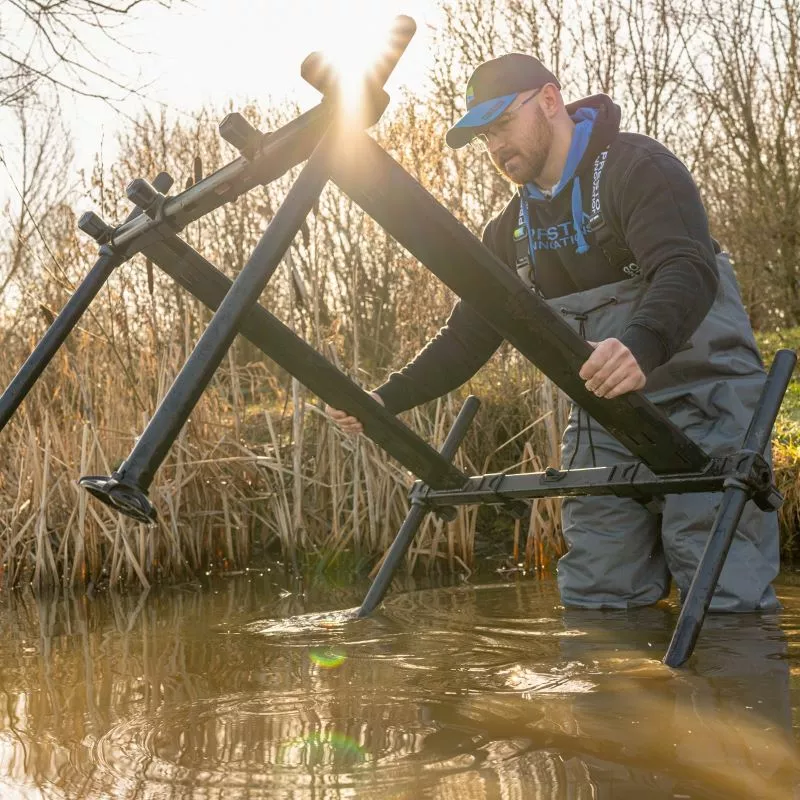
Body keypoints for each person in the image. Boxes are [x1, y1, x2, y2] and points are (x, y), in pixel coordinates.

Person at [327, 53, 780, 612]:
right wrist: (383, 400)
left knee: (723, 597)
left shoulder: (636, 168)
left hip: (705, 399)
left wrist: (639, 344)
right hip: (606, 422)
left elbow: (686, 268)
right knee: (597, 596)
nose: (494, 146)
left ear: (548, 100)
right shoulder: (506, 232)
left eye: (502, 124)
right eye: (483, 135)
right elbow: (467, 339)